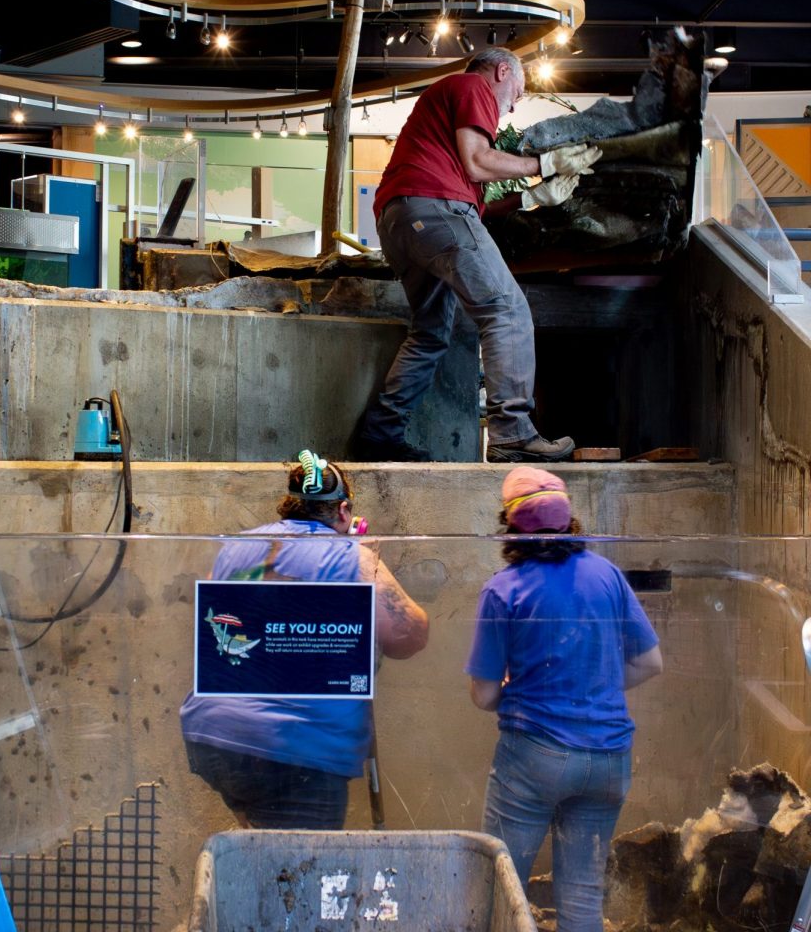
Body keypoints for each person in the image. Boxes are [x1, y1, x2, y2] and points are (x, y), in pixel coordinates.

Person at [352, 47, 601, 463]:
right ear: (503, 71)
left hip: (402, 221)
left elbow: (475, 204)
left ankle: (380, 433)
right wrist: (543, 162)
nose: (515, 102)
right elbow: (478, 163)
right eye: (517, 90)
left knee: (431, 332)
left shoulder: (440, 125)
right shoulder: (473, 86)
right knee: (507, 310)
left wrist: (532, 197)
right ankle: (513, 433)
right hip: (435, 211)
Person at [180, 452, 429, 829]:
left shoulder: (235, 548)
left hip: (215, 736)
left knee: (264, 852)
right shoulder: (352, 557)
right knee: (298, 871)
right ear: (343, 512)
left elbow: (215, 627)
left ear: (288, 507)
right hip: (297, 749)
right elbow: (409, 635)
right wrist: (362, 558)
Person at [466, 465, 663, 932]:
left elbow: (483, 693)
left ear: (510, 524)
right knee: (581, 902)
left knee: (497, 886)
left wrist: (524, 695)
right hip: (610, 759)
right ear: (569, 518)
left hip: (535, 756)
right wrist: (593, 690)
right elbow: (651, 662)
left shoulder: (503, 590)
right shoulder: (608, 576)